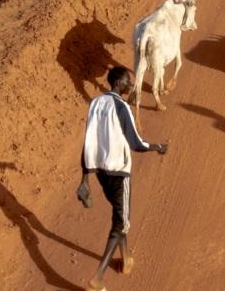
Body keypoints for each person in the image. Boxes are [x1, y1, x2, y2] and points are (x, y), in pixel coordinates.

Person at [76, 66, 170, 290]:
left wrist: (85, 178)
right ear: (119, 83)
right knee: (121, 222)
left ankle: (126, 259)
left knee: (119, 215)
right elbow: (136, 143)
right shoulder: (121, 106)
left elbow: (88, 140)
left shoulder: (96, 103)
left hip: (100, 172)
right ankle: (97, 279)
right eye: (129, 82)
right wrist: (158, 146)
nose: (131, 86)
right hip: (119, 172)